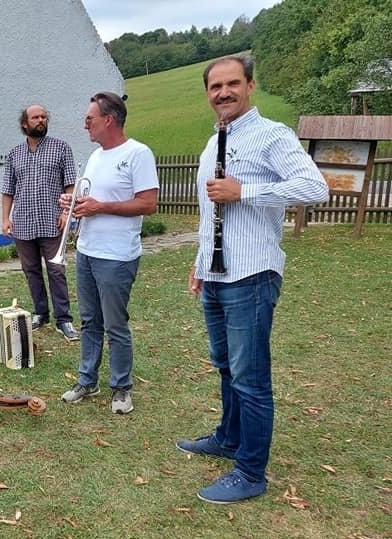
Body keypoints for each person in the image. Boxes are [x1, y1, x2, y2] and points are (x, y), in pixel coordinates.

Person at [177, 55, 328, 504]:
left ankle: (251, 471)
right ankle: (228, 438)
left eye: (232, 83)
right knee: (226, 367)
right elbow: (212, 212)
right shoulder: (213, 142)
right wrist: (200, 262)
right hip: (218, 274)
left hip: (251, 275)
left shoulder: (272, 135)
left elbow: (315, 188)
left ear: (250, 86)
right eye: (215, 86)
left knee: (251, 378)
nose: (223, 92)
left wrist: (247, 191)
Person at [59, 93, 159, 415]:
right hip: (87, 251)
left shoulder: (138, 154)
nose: (85, 124)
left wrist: (102, 207)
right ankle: (87, 381)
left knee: (115, 324)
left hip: (117, 256)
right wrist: (72, 204)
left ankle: (121, 388)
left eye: (90, 119)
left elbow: (148, 203)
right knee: (89, 322)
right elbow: (90, 196)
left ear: (109, 120)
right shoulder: (95, 156)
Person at [1, 104, 79, 340]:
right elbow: (7, 189)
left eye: (44, 117)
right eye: (36, 117)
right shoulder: (14, 154)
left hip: (52, 221)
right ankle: (41, 313)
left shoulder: (61, 148)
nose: (41, 120)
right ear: (25, 123)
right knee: (31, 270)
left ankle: (64, 319)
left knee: (56, 270)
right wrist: (5, 218)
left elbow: (71, 184)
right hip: (23, 222)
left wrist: (67, 212)